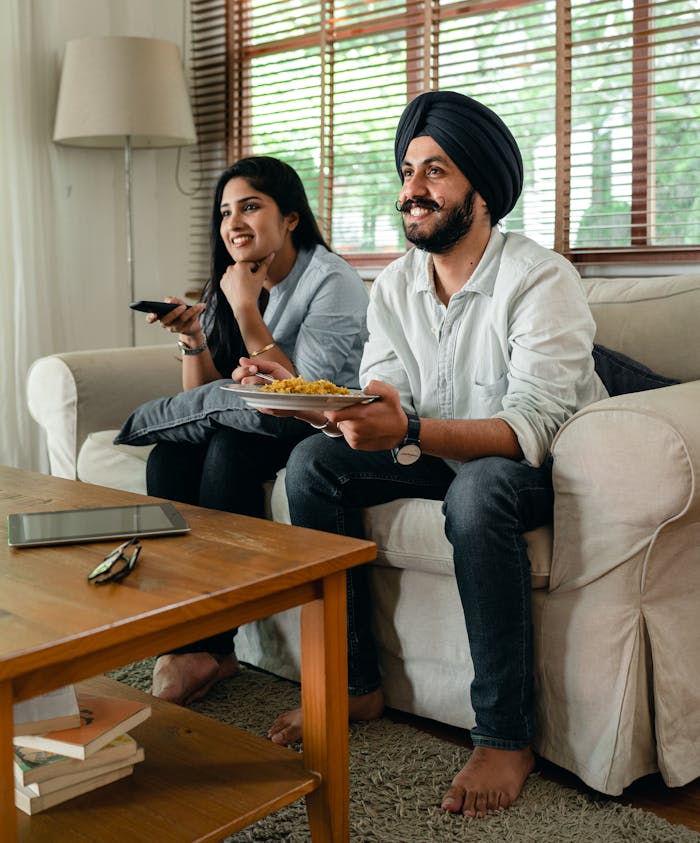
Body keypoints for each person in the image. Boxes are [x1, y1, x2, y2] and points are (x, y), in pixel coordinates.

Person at [238, 92, 608, 818]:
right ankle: (353, 684)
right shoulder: (398, 285)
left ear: (482, 186)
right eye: (408, 170)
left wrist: (404, 431)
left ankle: (505, 734)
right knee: (314, 467)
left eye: (434, 171)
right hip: (441, 446)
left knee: (477, 494)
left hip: (541, 466)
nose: (412, 191)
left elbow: (526, 425)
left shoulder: (541, 278)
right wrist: (308, 394)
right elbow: (389, 396)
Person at [116, 155, 368, 706]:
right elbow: (198, 402)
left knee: (230, 448)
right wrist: (193, 340)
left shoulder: (331, 280)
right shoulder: (231, 278)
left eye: (251, 207)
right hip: (255, 420)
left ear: (292, 219)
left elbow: (311, 394)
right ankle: (192, 640)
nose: (234, 223)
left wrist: (247, 311)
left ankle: (212, 645)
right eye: (226, 211)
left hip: (325, 428)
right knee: (169, 457)